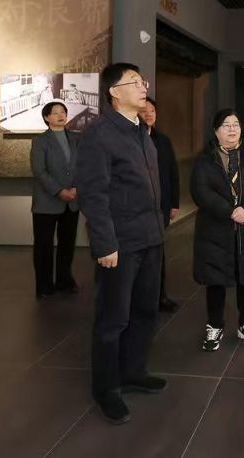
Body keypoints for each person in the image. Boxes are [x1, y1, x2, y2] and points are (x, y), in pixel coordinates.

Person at [76, 62, 166, 425]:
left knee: (145, 311)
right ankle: (107, 389)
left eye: (142, 81)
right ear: (114, 92)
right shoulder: (99, 135)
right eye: (134, 82)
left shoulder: (141, 130)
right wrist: (105, 244)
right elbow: (93, 195)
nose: (143, 87)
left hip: (150, 237)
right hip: (120, 243)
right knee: (113, 318)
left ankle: (133, 371)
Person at [191, 108, 244, 352]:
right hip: (215, 231)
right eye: (226, 125)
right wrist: (229, 210)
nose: (232, 129)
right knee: (215, 279)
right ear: (216, 131)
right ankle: (214, 325)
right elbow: (200, 192)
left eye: (235, 124)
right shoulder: (205, 160)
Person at [30, 101, 80, 299]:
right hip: (47, 202)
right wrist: (59, 191)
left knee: (67, 244)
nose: (61, 115)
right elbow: (39, 171)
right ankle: (44, 286)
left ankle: (64, 281)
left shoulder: (76, 138)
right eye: (56, 112)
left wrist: (76, 188)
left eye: (63, 112)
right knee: (44, 246)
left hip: (72, 200)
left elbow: (84, 165)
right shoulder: (40, 141)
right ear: (46, 117)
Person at [140, 97, 181, 313]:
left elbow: (172, 172)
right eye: (144, 110)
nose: (149, 114)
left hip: (161, 206)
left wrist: (174, 203)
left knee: (158, 253)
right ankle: (140, 299)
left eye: (152, 111)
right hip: (138, 208)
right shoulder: (130, 140)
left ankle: (159, 296)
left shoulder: (163, 140)